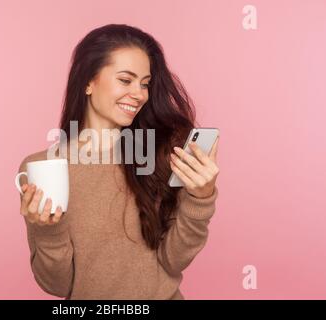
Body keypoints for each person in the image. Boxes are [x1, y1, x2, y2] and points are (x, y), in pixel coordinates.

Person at [17, 24, 220, 300]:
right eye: (126, 80)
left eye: (145, 83)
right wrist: (48, 230)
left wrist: (201, 197)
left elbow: (174, 261)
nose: (140, 94)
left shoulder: (160, 154)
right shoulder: (41, 168)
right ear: (89, 81)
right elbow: (59, 286)